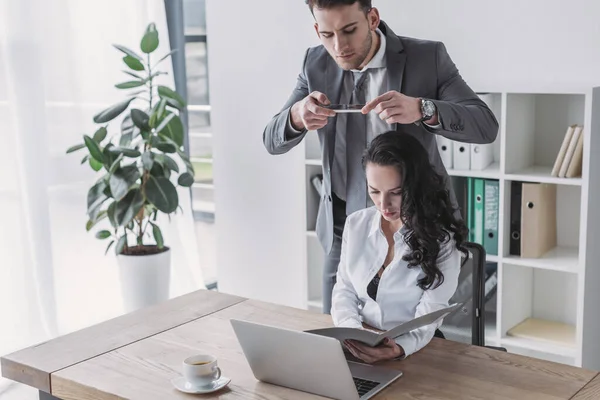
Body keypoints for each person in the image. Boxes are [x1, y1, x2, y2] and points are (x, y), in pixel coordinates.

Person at [263, 0, 498, 314]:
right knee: (338, 330)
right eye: (328, 35)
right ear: (316, 30)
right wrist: (296, 115)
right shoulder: (314, 63)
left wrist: (422, 109)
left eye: (349, 31)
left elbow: (484, 126)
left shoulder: (427, 59)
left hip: (416, 222)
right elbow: (271, 139)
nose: (339, 46)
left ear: (372, 18)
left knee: (415, 333)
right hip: (343, 225)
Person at [331, 131, 468, 363]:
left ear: (416, 186)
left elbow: (430, 314)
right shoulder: (356, 224)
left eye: (396, 193)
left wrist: (399, 348)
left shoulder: (442, 241)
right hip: (359, 343)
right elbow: (344, 290)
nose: (383, 204)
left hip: (414, 350)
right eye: (374, 191)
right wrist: (352, 333)